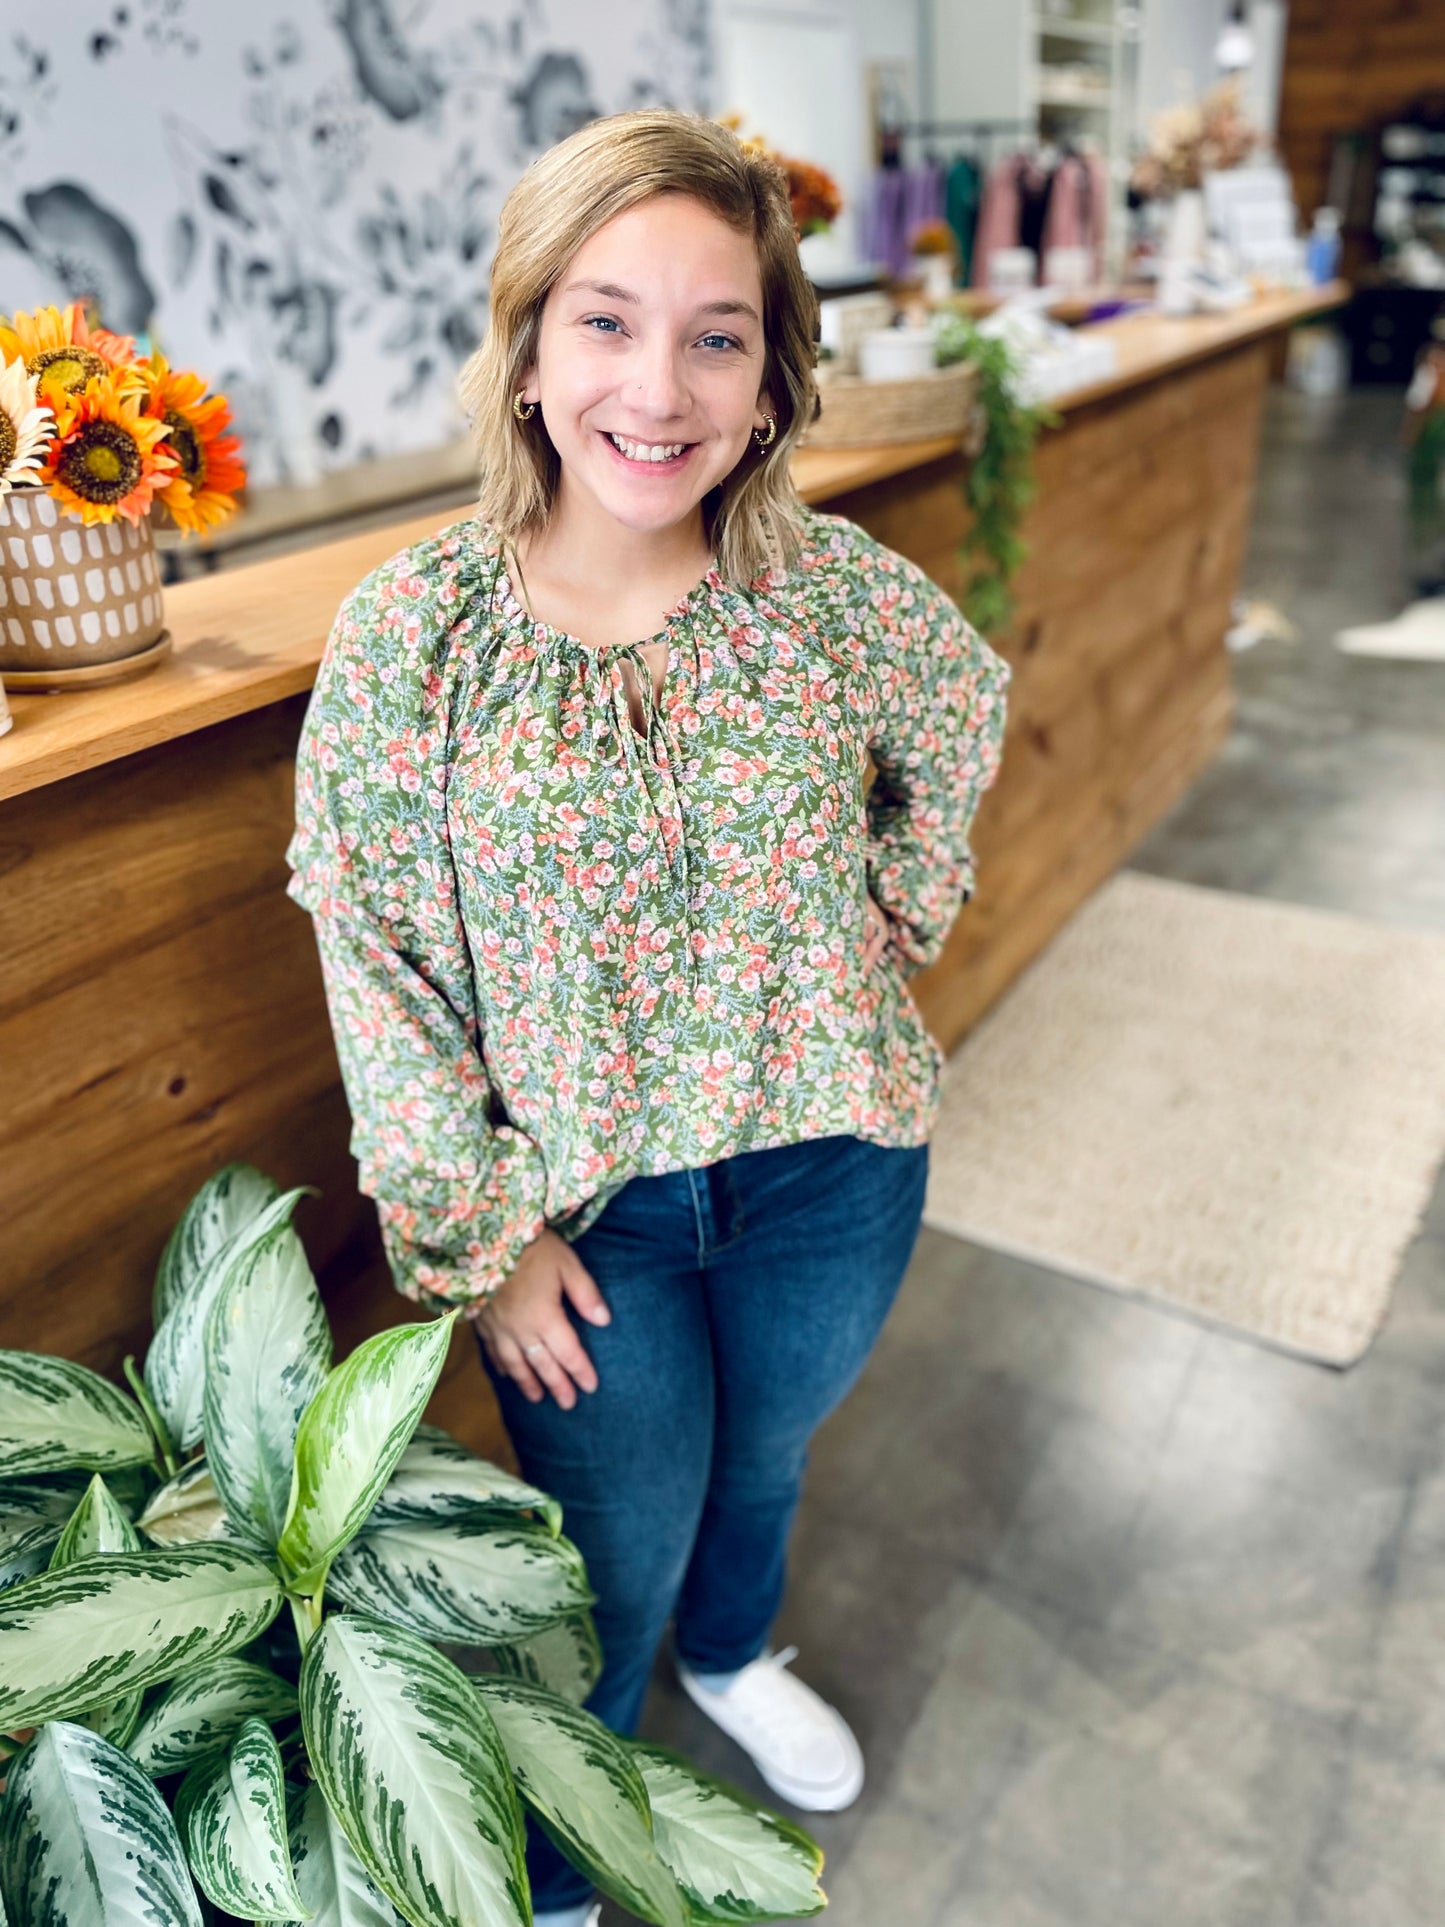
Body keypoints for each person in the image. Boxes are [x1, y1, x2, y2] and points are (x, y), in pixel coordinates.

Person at [286, 108, 1010, 1927]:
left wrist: (883, 928)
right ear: (529, 349)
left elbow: (959, 726)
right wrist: (478, 1238)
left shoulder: (828, 595)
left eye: (716, 333)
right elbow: (375, 960)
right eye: (605, 320)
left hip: (830, 1172)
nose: (658, 387)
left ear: (771, 377)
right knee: (599, 1557)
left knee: (765, 1461)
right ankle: (553, 1873)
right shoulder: (415, 637)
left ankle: (739, 1650)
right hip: (577, 1221)